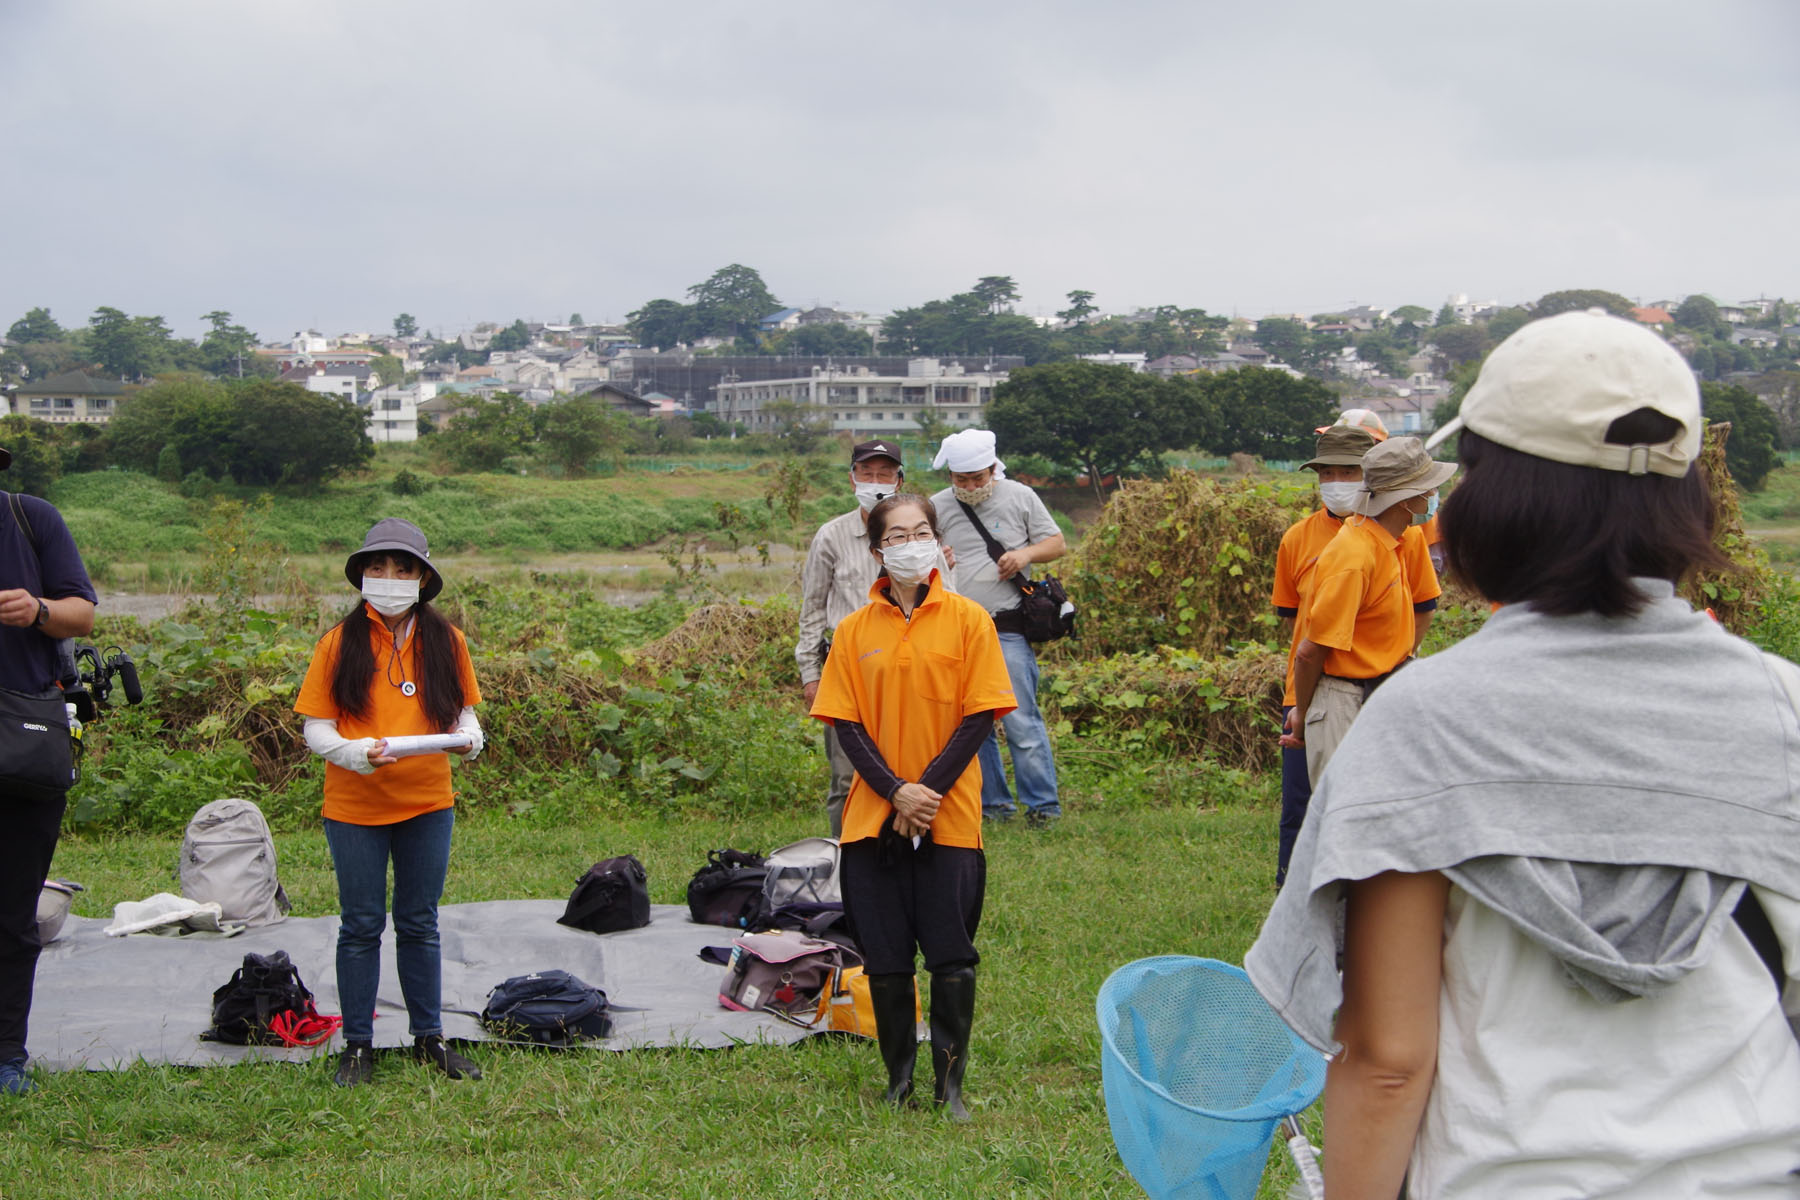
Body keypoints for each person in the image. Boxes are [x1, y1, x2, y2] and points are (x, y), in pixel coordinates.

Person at [1247, 310, 1800, 1194]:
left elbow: (1388, 1060)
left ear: (1491, 496)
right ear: (1687, 499)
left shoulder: (1423, 720)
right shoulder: (1784, 708)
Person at [810, 495, 1015, 1120]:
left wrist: (923, 793)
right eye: (897, 535)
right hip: (873, 818)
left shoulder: (968, 620)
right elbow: (846, 725)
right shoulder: (852, 631)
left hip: (949, 814)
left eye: (922, 530)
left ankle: (949, 1086)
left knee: (952, 953)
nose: (911, 542)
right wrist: (895, 792)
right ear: (877, 551)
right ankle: (898, 1080)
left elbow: (981, 714)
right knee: (888, 958)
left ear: (936, 541)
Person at [294, 518, 486, 1088]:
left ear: (423, 578)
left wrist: (470, 737)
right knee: (359, 924)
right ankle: (358, 1046)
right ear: (361, 576)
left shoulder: (446, 641)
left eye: (403, 569)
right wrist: (354, 756)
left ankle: (430, 1036)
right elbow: (316, 729)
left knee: (419, 921)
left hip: (428, 801)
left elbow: (463, 712)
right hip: (354, 806)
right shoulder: (337, 643)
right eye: (377, 567)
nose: (389, 578)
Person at [1269, 425, 1438, 887]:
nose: (1339, 480)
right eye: (1330, 472)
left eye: (1350, 471)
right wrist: (1305, 707)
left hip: (1375, 684)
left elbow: (1422, 606)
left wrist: (1395, 656)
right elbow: (1305, 638)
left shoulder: (1400, 540)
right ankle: (1309, 902)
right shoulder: (1335, 548)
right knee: (1317, 808)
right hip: (1326, 689)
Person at [0, 450, 96, 1096]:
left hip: (23, 745)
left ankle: (7, 1055)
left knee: (12, 914)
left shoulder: (31, 520)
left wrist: (35, 610)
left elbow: (82, 612)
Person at [1282, 436, 1451, 788]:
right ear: (1406, 499)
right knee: (1347, 818)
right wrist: (1303, 713)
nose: (1434, 496)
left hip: (1375, 692)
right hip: (1344, 701)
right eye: (1428, 488)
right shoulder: (1355, 557)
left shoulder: (1387, 543)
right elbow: (1310, 651)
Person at [929, 428, 1064, 826]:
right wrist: (940, 559)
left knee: (1021, 719)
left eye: (978, 478)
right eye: (961, 480)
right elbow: (921, 555)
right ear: (950, 476)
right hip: (956, 629)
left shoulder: (1020, 496)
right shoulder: (936, 506)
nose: (970, 487)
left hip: (1007, 629)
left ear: (993, 469)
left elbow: (1056, 543)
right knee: (973, 725)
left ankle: (1043, 808)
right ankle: (993, 807)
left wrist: (1024, 554)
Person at [796, 440, 907, 838]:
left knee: (906, 768)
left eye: (884, 474)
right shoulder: (832, 536)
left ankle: (903, 854)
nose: (875, 482)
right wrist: (811, 674)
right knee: (846, 776)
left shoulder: (918, 533)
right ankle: (847, 861)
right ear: (852, 478)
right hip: (847, 668)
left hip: (907, 667)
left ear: (899, 480)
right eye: (867, 473)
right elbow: (812, 609)